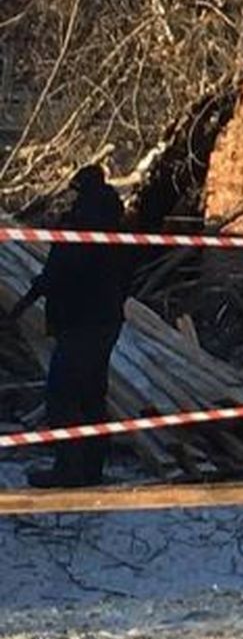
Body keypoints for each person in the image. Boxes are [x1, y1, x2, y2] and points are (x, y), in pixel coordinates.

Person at [7, 163, 133, 488]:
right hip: (104, 319)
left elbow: (63, 272)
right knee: (91, 397)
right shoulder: (112, 222)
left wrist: (34, 294)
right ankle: (90, 468)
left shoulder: (84, 227)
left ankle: (69, 469)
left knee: (62, 396)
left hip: (82, 321)